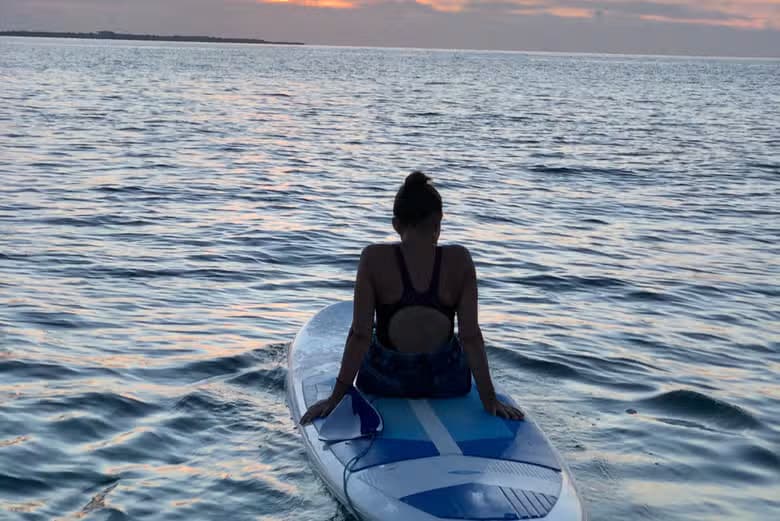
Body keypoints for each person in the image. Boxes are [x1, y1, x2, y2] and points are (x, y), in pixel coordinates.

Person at [301, 171, 523, 424]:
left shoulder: (373, 259)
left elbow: (360, 335)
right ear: (438, 222)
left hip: (386, 382)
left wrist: (335, 398)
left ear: (396, 224)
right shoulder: (460, 261)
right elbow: (471, 336)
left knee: (373, 335)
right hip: (447, 382)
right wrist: (490, 399)